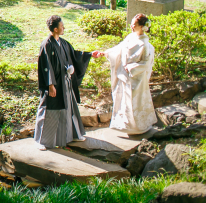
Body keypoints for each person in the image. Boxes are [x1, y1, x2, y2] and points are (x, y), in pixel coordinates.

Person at [34, 15, 105, 150]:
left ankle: (72, 135)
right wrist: (50, 85)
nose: (64, 28)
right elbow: (46, 66)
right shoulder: (47, 45)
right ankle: (42, 141)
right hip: (54, 84)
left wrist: (90, 54)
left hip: (65, 82)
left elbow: (74, 55)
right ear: (55, 29)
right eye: (62, 26)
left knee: (70, 108)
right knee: (49, 110)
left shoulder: (63, 42)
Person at [105, 13, 156, 134]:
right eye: (132, 24)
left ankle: (138, 127)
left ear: (142, 26)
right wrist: (106, 53)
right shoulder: (130, 37)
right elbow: (119, 48)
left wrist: (131, 67)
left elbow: (145, 63)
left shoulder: (145, 45)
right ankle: (124, 125)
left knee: (135, 102)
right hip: (124, 75)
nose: (131, 26)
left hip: (135, 78)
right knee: (123, 101)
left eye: (134, 24)